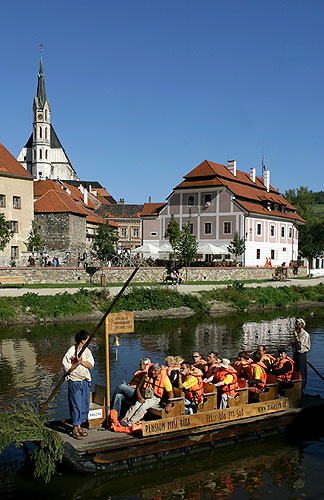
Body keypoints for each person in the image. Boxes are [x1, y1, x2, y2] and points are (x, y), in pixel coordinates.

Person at [62, 330, 94, 440]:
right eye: (87, 339)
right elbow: (67, 369)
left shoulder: (87, 351)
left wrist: (81, 362)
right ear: (82, 340)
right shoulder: (71, 351)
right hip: (74, 381)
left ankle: (80, 426)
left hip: (84, 381)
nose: (89, 341)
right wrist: (75, 363)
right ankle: (75, 428)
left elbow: (90, 365)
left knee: (84, 404)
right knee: (76, 404)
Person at [120, 363, 174, 427]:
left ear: (159, 371)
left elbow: (170, 393)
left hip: (155, 398)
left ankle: (131, 423)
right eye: (152, 370)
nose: (153, 372)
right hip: (145, 395)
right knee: (136, 405)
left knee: (143, 407)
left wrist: (169, 404)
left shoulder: (164, 378)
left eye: (155, 371)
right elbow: (139, 388)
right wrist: (140, 397)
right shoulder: (147, 376)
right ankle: (125, 419)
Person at [110, 357, 151, 425]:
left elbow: (139, 386)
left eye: (141, 364)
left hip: (137, 394)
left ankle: (110, 402)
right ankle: (116, 417)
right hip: (132, 392)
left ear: (146, 365)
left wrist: (128, 387)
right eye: (140, 364)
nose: (140, 365)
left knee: (121, 387)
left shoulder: (146, 374)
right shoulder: (139, 372)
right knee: (118, 396)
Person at [291, 318, 310, 390]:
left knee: (301, 371)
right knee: (295, 371)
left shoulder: (305, 334)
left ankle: (301, 387)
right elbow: (293, 344)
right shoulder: (297, 333)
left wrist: (296, 337)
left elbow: (300, 346)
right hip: (295, 354)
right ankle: (296, 387)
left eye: (297, 324)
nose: (295, 325)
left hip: (301, 355)